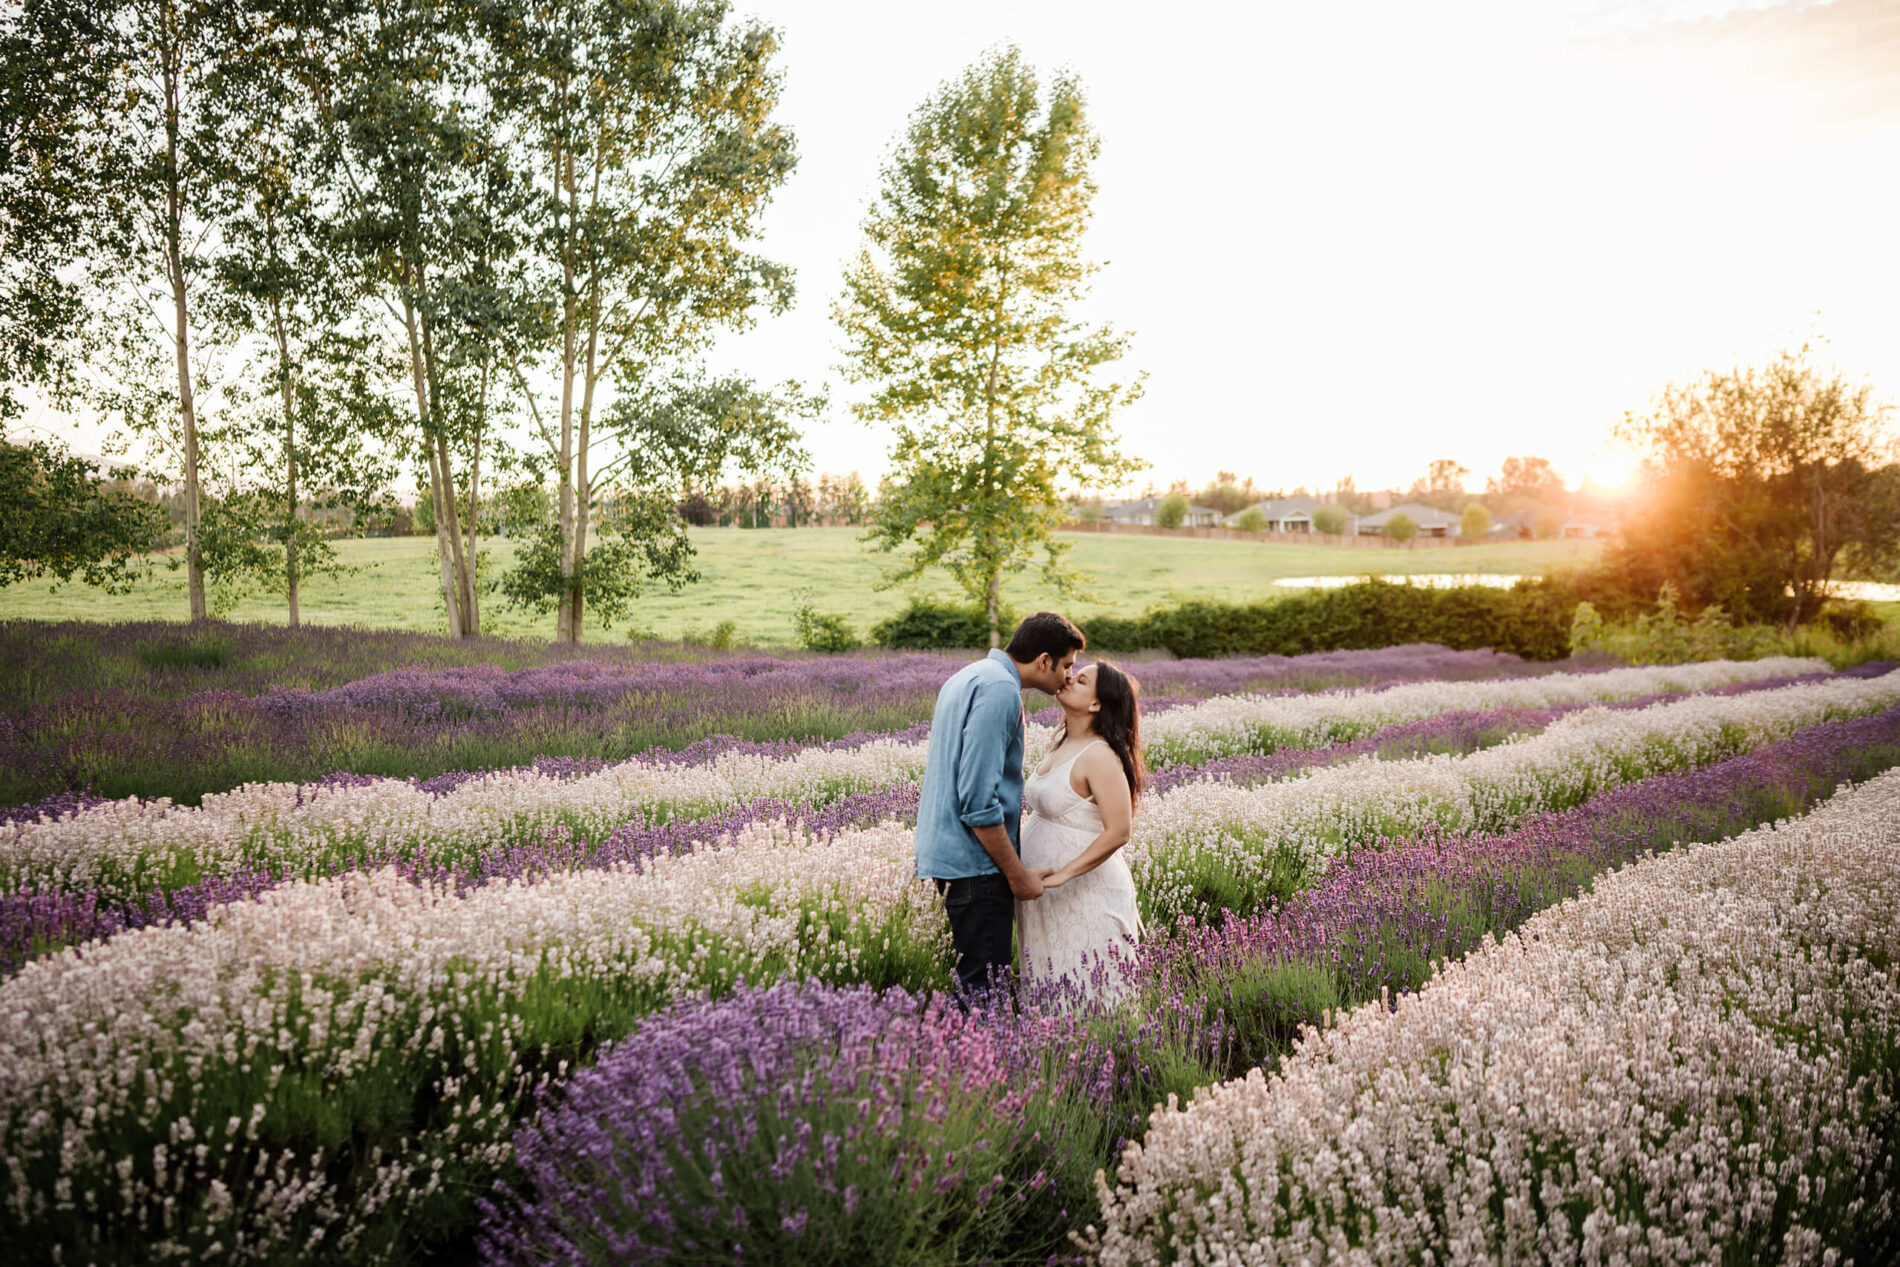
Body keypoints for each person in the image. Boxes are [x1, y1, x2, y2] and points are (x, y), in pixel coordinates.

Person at [914, 611, 1085, 999]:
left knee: (976, 984)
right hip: (977, 866)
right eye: (1067, 666)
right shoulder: (1000, 691)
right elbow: (977, 800)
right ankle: (971, 1060)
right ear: (1044, 660)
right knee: (984, 995)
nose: (1069, 677)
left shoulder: (969, 676)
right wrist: (1016, 874)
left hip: (949, 857)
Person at [1017, 659, 1145, 1003]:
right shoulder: (1060, 744)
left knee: (1090, 990)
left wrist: (1064, 874)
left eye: (1082, 680)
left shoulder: (1100, 755)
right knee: (1051, 984)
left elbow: (1119, 831)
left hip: (1086, 893)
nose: (1070, 678)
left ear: (1095, 704)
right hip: (1046, 895)